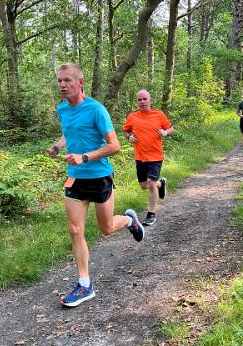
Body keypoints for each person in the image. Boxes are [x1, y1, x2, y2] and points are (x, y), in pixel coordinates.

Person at [47, 63, 144, 308]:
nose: (62, 85)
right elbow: (69, 131)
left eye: (67, 80)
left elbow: (114, 146)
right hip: (75, 178)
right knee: (75, 229)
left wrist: (85, 157)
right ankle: (84, 284)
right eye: (59, 81)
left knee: (107, 228)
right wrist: (58, 146)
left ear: (80, 83)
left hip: (99, 176)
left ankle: (129, 221)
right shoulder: (62, 108)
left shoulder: (96, 109)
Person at [122, 90, 174, 226]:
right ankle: (160, 184)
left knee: (150, 184)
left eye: (145, 99)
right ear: (137, 102)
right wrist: (129, 137)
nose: (142, 102)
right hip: (140, 156)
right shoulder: (132, 116)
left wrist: (165, 132)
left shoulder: (159, 114)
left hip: (155, 156)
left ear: (150, 100)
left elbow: (171, 129)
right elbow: (125, 131)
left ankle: (151, 214)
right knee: (144, 186)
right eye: (139, 100)